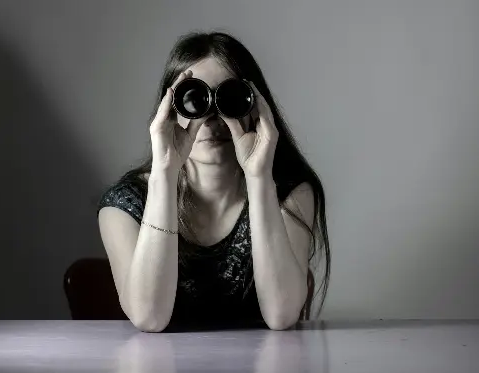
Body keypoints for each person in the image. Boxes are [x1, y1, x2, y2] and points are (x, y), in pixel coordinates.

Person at [97, 31, 331, 332]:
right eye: (193, 99)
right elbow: (149, 317)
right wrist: (165, 173)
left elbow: (282, 314)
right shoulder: (125, 206)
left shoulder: (289, 194)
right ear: (168, 110)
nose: (210, 119)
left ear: (255, 107)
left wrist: (259, 177)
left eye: (228, 99)